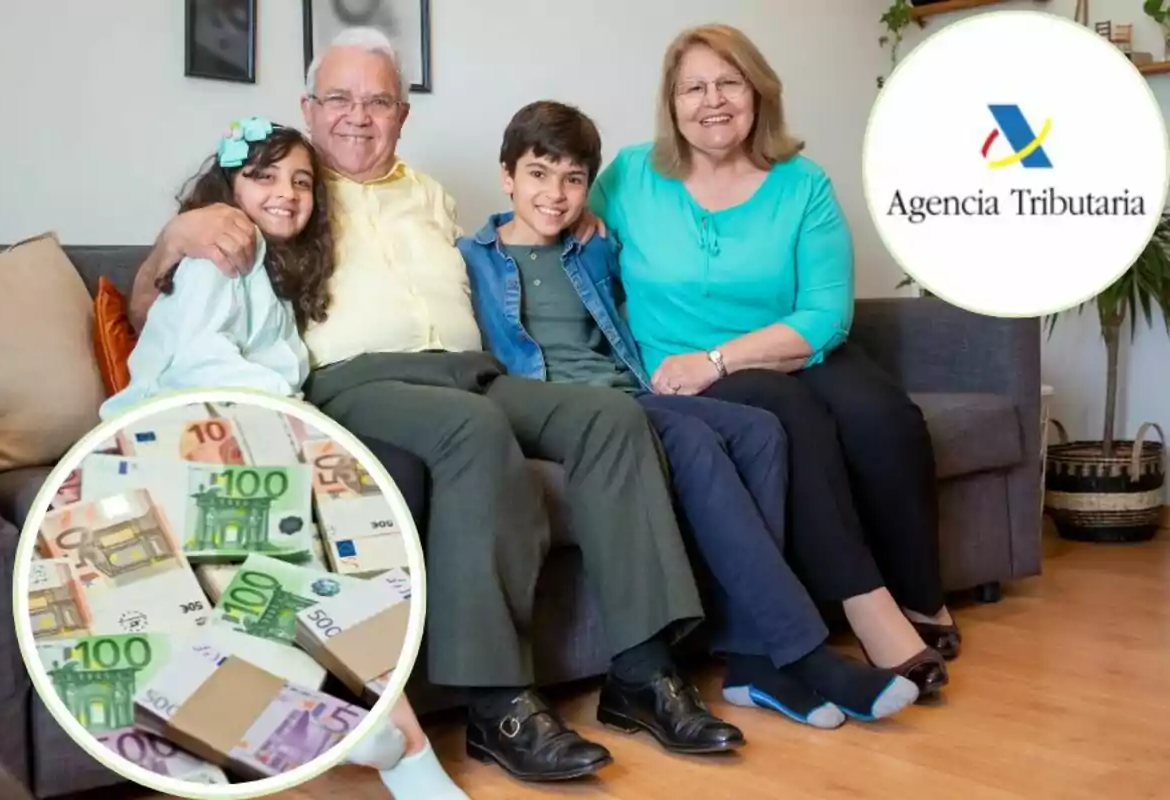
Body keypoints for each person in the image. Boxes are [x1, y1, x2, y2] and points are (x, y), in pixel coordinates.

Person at [126, 28, 745, 785]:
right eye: (341, 99)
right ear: (308, 108)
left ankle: (643, 677)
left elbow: (510, 243)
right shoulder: (280, 189)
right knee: (473, 434)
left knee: (611, 418)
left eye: (379, 100)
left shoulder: (429, 193)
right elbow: (162, 308)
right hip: (357, 382)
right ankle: (499, 705)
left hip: (468, 369)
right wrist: (174, 237)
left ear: (401, 115)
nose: (360, 116)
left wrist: (582, 228)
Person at [458, 99, 922, 727]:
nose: (555, 194)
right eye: (538, 174)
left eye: (573, 180)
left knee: (760, 431)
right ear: (506, 176)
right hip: (560, 412)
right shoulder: (471, 260)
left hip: (631, 393)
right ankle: (807, 653)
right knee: (698, 444)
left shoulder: (593, 245)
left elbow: (670, 269)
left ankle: (753, 662)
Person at [584, 24, 955, 697]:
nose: (712, 100)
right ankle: (867, 607)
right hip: (683, 370)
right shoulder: (631, 177)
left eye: (729, 82)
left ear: (758, 93)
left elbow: (824, 314)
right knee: (796, 416)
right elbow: (566, 238)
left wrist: (721, 358)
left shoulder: (801, 183)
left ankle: (924, 596)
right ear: (671, 103)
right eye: (693, 87)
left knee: (883, 415)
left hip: (788, 347)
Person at [103, 118, 466, 799]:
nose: (286, 192)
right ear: (226, 190)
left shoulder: (271, 279)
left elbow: (272, 372)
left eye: (301, 180)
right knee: (291, 536)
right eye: (263, 176)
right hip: (160, 436)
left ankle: (386, 734)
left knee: (322, 541)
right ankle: (400, 746)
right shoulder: (215, 258)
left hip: (232, 434)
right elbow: (200, 363)